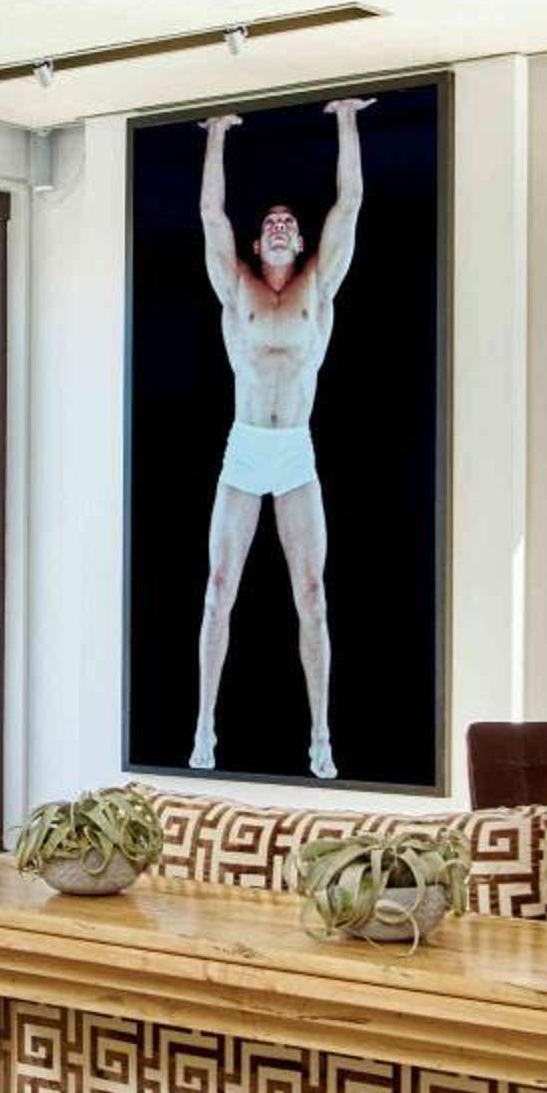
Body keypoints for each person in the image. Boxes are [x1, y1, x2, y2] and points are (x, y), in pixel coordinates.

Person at [189, 96, 369, 779]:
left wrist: (347, 119)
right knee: (218, 588)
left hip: (294, 450)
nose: (278, 225)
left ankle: (321, 736)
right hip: (243, 450)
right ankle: (203, 728)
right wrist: (216, 133)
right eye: (269, 221)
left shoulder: (317, 289)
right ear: (257, 241)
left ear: (298, 242)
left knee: (312, 594)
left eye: (288, 222)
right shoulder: (235, 287)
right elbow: (211, 215)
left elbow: (350, 203)